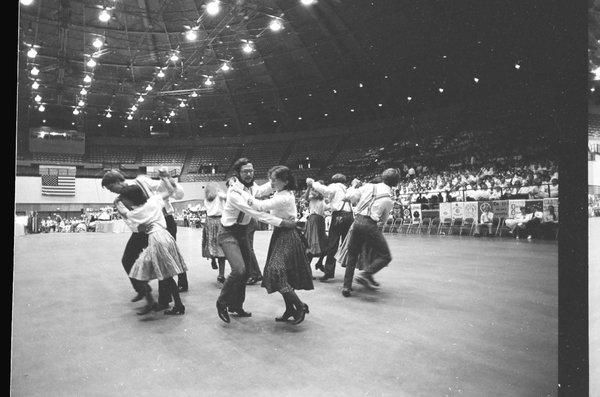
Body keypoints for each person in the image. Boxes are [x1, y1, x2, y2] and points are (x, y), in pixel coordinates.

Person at [215, 158, 297, 324]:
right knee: (239, 270)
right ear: (237, 173)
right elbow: (257, 213)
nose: (249, 174)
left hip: (242, 233)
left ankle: (236, 306)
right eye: (245, 171)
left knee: (246, 272)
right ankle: (221, 303)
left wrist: (277, 176)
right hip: (228, 233)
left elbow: (265, 188)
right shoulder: (234, 193)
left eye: (251, 171)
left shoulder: (251, 187)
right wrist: (283, 223)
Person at [101, 169, 187, 311]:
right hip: (155, 228)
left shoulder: (141, 181)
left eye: (111, 188)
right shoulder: (149, 201)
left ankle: (164, 300)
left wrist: (167, 178)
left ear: (117, 182)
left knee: (163, 264)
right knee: (128, 259)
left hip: (158, 226)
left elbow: (167, 189)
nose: (112, 191)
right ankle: (144, 291)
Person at [248, 166, 313, 324]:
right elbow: (260, 190)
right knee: (281, 273)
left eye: (274, 180)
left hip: (287, 235)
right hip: (281, 233)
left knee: (276, 270)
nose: (271, 182)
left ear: (285, 181)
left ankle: (299, 306)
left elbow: (261, 206)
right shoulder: (281, 192)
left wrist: (244, 197)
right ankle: (291, 308)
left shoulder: (284, 196)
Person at [340, 168, 399, 297]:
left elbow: (349, 196)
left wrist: (353, 186)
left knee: (352, 255)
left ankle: (346, 286)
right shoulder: (388, 199)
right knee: (385, 256)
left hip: (357, 222)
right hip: (370, 225)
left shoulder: (369, 186)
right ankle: (366, 274)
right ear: (395, 183)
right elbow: (383, 219)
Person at [306, 174, 353, 281]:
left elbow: (326, 191)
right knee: (348, 245)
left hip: (339, 216)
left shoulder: (334, 186)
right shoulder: (347, 189)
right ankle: (348, 273)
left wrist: (313, 183)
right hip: (350, 216)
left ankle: (329, 272)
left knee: (332, 244)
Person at [202, 183, 228, 283]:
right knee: (221, 249)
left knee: (211, 244)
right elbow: (227, 197)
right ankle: (221, 275)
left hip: (209, 222)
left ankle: (213, 258)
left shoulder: (206, 199)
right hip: (219, 222)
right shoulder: (219, 195)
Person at [301, 185, 328, 272]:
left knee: (325, 244)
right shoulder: (313, 198)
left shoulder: (323, 200)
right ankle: (307, 269)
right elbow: (306, 197)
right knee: (313, 244)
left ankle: (319, 263)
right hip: (314, 221)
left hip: (320, 221)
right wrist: (309, 187)